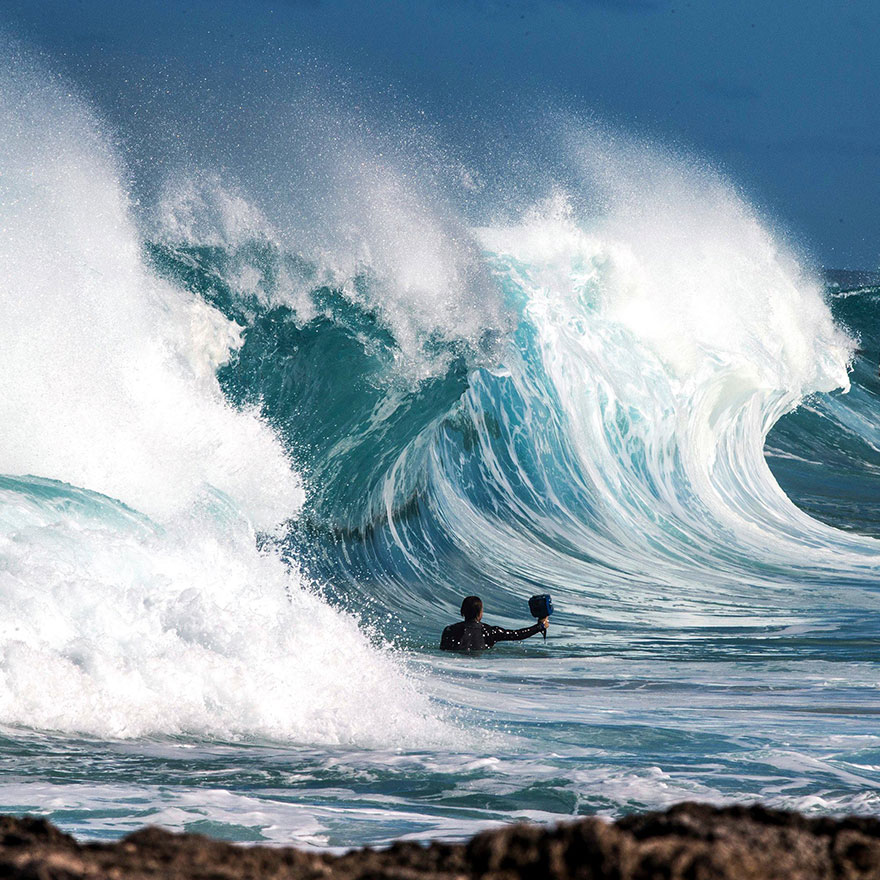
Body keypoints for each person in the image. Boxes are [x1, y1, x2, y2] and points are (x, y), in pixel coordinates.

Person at [440, 595, 549, 651]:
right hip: (478, 666)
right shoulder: (489, 632)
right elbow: (517, 635)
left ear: (462, 611)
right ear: (480, 613)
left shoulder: (449, 630)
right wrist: (540, 626)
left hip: (454, 666)